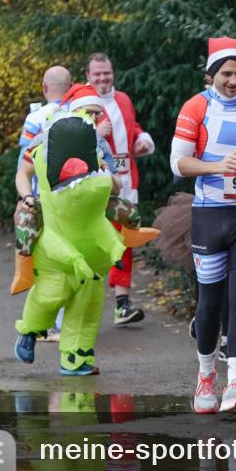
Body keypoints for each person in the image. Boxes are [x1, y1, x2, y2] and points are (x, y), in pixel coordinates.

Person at [171, 36, 236, 414]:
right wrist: (216, 166)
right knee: (211, 301)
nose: (233, 80)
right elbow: (178, 163)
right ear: (211, 74)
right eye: (226, 74)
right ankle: (205, 376)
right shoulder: (196, 107)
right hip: (209, 212)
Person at [12, 114, 129, 375]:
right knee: (49, 296)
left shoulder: (98, 147)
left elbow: (115, 185)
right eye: (90, 110)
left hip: (92, 254)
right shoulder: (42, 145)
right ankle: (30, 330)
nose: (97, 116)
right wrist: (28, 196)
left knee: (87, 308)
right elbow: (23, 172)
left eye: (97, 111)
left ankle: (76, 359)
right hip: (56, 229)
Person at [87, 52, 156, 325]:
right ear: (88, 77)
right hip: (96, 185)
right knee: (95, 244)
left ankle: (122, 305)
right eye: (97, 74)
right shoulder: (83, 104)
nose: (103, 78)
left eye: (107, 72)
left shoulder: (124, 99)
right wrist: (94, 133)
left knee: (125, 241)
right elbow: (69, 139)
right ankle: (83, 303)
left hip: (128, 183)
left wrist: (142, 140)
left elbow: (133, 127)